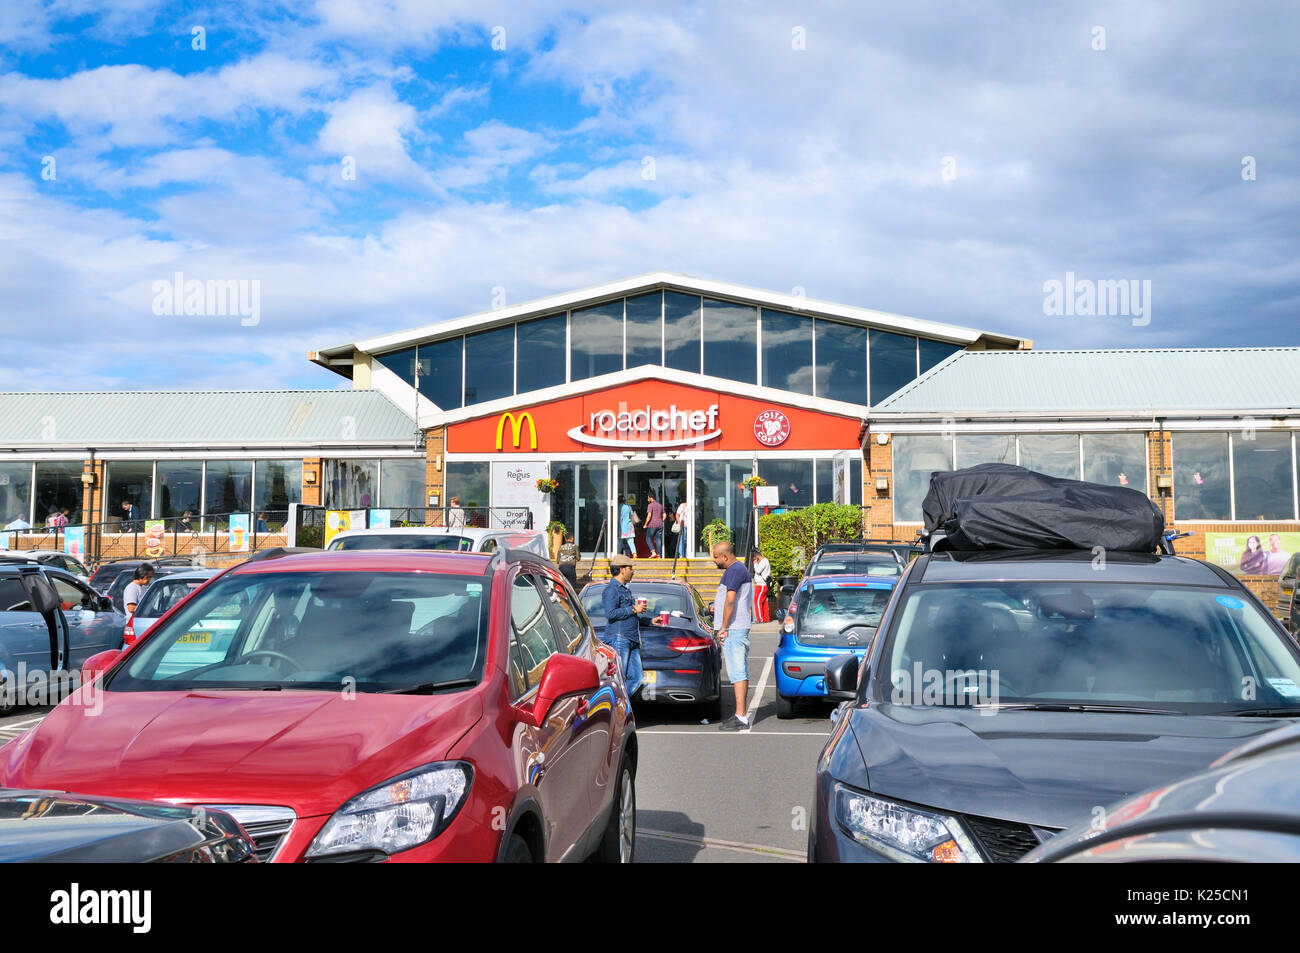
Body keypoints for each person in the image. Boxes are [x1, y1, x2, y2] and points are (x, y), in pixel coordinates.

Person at [712, 542, 754, 731]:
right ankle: (739, 714)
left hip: (734, 629)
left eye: (715, 557)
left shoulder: (735, 570)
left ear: (725, 557)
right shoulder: (734, 570)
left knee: (738, 672)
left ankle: (741, 717)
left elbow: (731, 600)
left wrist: (724, 626)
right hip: (733, 628)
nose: (714, 561)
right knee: (736, 671)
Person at [601, 554, 643, 696]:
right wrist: (632, 609)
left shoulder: (625, 589)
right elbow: (611, 614)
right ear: (622, 570)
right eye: (630, 568)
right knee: (618, 679)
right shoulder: (611, 589)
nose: (633, 571)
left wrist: (651, 620)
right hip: (620, 638)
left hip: (631, 638)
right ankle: (616, 708)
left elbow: (631, 614)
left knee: (636, 678)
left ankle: (620, 706)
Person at [751, 548, 772, 623]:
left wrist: (755, 563)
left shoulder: (764, 561)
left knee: (757, 602)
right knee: (763, 602)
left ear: (756, 557)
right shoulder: (765, 561)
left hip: (761, 585)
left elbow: (758, 570)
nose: (753, 560)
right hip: (763, 585)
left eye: (754, 558)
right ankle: (766, 618)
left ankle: (760, 619)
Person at [644, 492, 664, 558]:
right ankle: (659, 555)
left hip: (652, 525)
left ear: (650, 498)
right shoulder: (660, 505)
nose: (647, 499)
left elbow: (649, 515)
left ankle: (653, 552)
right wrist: (661, 520)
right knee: (658, 539)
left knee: (648, 538)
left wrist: (645, 524)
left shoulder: (650, 505)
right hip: (660, 525)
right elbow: (665, 514)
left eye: (648, 498)